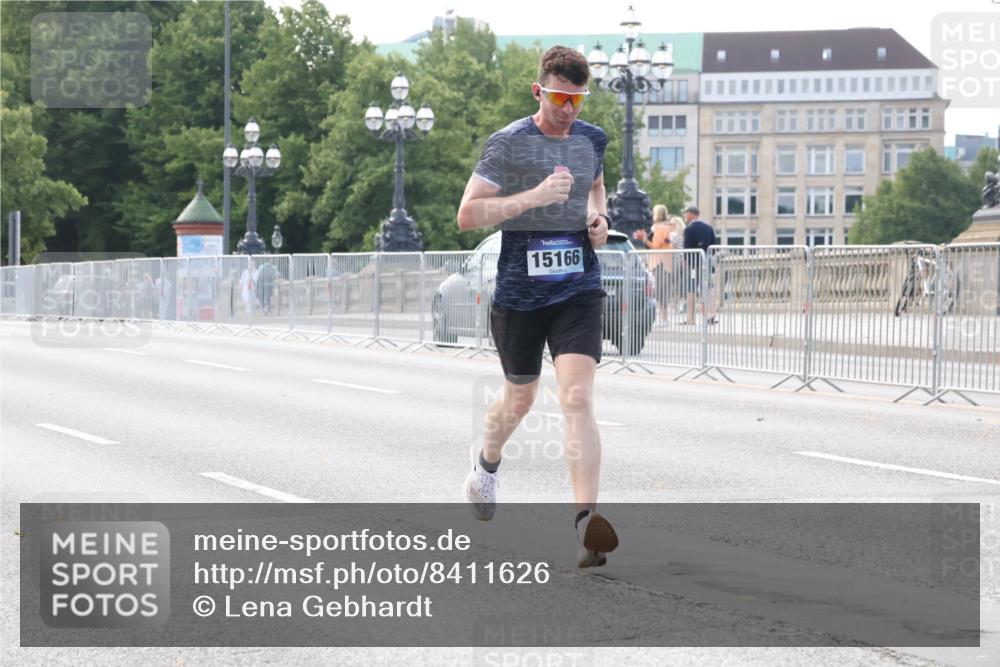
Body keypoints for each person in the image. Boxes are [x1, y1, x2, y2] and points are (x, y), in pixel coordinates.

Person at [456, 45, 618, 568]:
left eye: (576, 99)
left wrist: (599, 219)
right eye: (558, 98)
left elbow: (597, 189)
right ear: (538, 91)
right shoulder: (508, 144)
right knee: (520, 399)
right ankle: (487, 463)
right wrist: (534, 196)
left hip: (577, 289)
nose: (568, 109)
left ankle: (585, 526)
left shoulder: (592, 139)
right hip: (521, 296)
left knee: (576, 395)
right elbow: (469, 214)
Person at [632, 204, 673, 321]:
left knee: (659, 291)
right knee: (662, 290)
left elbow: (655, 246)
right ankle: (663, 317)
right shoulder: (665, 227)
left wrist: (643, 239)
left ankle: (663, 318)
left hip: (659, 263)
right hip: (664, 262)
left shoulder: (659, 228)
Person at [681, 205, 718, 325]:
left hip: (694, 264)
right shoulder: (708, 228)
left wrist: (685, 261)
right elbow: (713, 245)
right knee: (709, 289)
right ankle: (712, 316)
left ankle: (690, 318)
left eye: (686, 214)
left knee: (691, 290)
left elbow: (686, 248)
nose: (685, 217)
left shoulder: (689, 229)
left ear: (691, 214)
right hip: (706, 263)